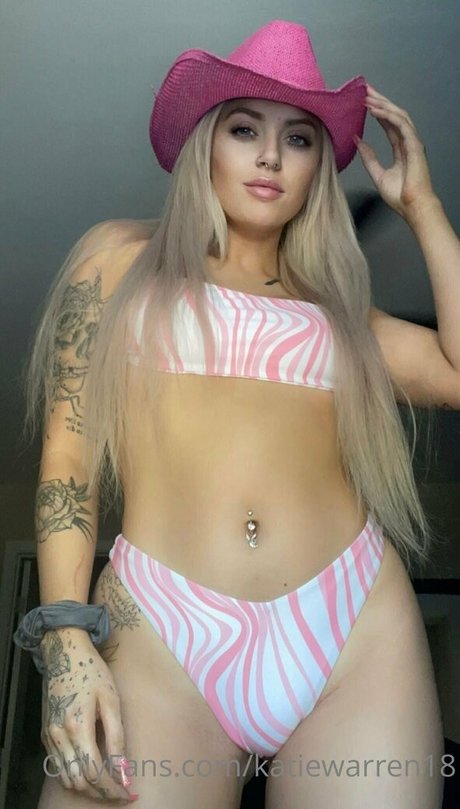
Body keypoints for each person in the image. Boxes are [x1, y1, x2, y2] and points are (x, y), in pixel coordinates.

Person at [15, 17, 459, 809]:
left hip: (350, 630)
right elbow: (69, 457)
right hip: (160, 628)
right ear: (206, 145)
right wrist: (66, 637)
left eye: (299, 139)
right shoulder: (120, 262)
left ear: (318, 167)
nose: (269, 156)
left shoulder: (341, 315)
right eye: (245, 129)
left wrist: (422, 207)